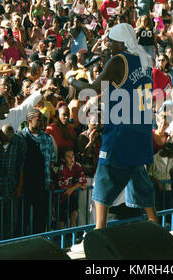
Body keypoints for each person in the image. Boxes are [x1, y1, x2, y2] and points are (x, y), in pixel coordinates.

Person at [67, 23, 157, 236]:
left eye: (111, 41)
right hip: (142, 130)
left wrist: (71, 80)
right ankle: (155, 225)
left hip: (120, 131)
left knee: (102, 180)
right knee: (138, 176)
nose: (108, 45)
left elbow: (93, 88)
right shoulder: (145, 61)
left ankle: (99, 231)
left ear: (122, 42)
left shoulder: (119, 61)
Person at [54, 147, 87, 229]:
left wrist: (72, 188)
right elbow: (65, 188)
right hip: (60, 197)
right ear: (63, 159)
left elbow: (82, 180)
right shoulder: (61, 169)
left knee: (74, 211)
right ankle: (63, 237)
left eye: (72, 155)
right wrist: (79, 185)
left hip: (71, 195)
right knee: (62, 218)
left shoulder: (78, 166)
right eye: (68, 156)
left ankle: (72, 232)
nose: (71, 158)